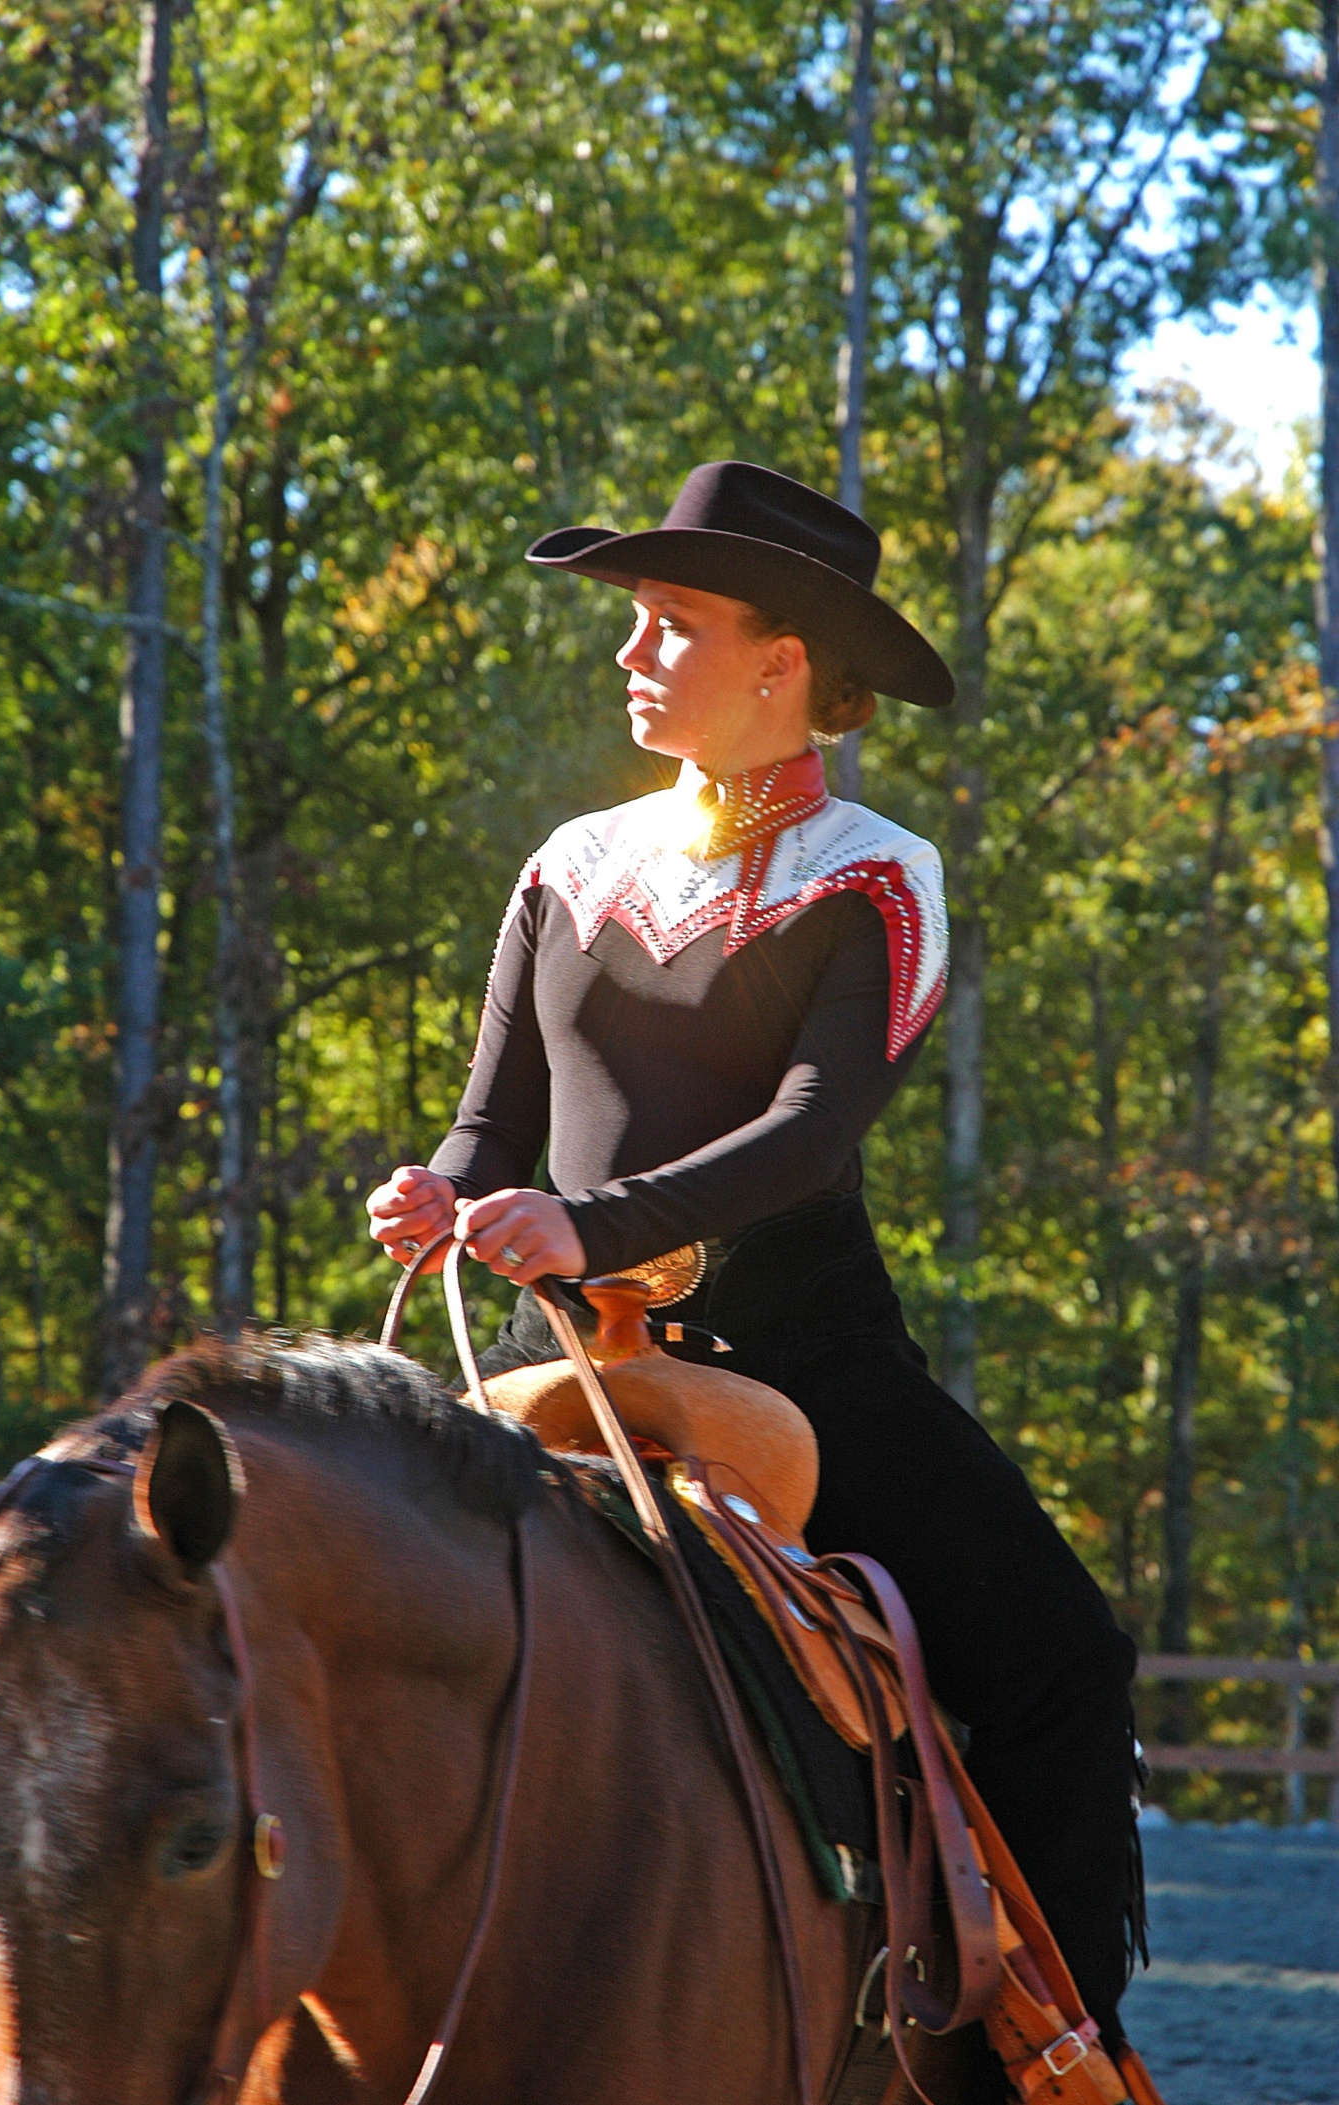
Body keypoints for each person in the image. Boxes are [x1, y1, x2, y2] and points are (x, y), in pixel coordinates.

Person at [365, 461, 1139, 2085]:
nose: (632, 654)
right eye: (638, 621)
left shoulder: (873, 868)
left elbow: (810, 1132)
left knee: (1068, 1660)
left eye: (673, 623)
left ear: (784, 662)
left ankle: (1039, 2067)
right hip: (551, 1370)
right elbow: (491, 1120)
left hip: (800, 1367)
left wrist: (597, 1224)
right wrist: (441, 1193)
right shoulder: (568, 861)